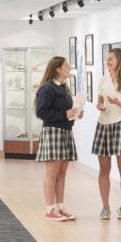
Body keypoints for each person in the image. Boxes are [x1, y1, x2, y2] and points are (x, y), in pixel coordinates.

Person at [92, 48, 121, 219]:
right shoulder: (103, 79)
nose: (107, 62)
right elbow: (99, 103)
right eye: (106, 59)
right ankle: (105, 207)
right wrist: (101, 106)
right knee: (104, 169)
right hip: (103, 125)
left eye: (110, 59)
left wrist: (117, 102)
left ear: (119, 60)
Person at [35, 56, 83, 221]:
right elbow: (41, 112)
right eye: (66, 66)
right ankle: (50, 209)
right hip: (53, 132)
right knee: (52, 172)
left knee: (62, 173)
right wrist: (64, 114)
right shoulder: (47, 88)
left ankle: (60, 207)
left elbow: (66, 111)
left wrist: (75, 114)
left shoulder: (64, 88)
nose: (69, 68)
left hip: (65, 132)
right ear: (57, 69)